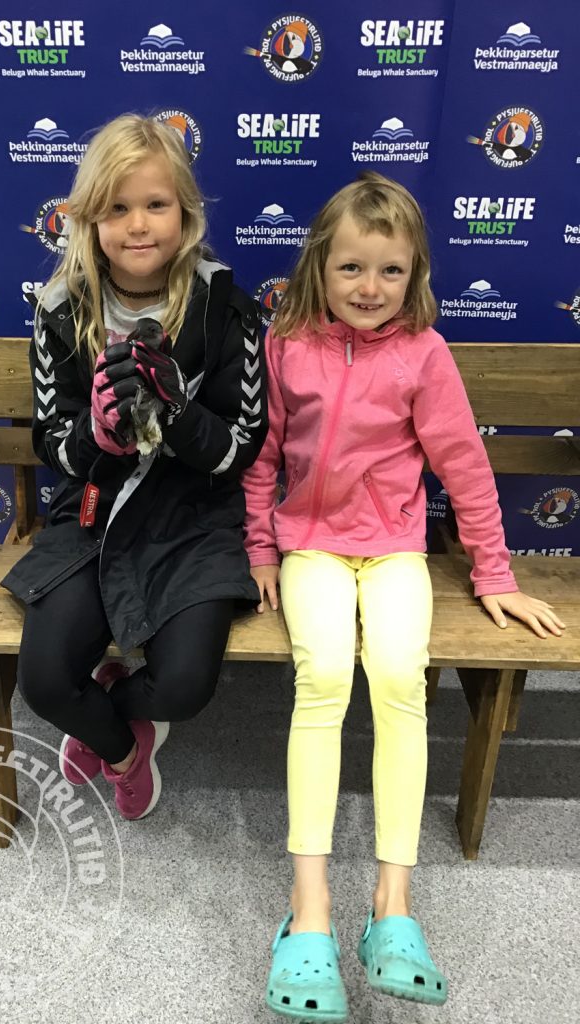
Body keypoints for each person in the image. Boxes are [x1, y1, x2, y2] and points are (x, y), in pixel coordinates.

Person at [241, 171, 565, 1020]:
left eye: (390, 270)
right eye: (352, 267)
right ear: (321, 265)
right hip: (311, 547)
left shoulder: (424, 353)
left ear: (414, 272)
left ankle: (393, 907)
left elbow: (465, 467)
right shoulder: (287, 344)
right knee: (322, 680)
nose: (370, 287)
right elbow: (264, 458)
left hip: (392, 551)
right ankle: (309, 910)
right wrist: (262, 549)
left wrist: (494, 573)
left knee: (397, 680)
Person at [2, 114, 267, 822]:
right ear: (89, 219)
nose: (138, 225)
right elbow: (52, 443)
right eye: (117, 208)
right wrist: (99, 436)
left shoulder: (226, 308)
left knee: (184, 687)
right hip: (95, 509)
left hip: (192, 516)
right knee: (46, 682)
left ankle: (114, 705)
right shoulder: (60, 309)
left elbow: (242, 446)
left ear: (186, 213)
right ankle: (124, 750)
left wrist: (176, 412)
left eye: (156, 204)